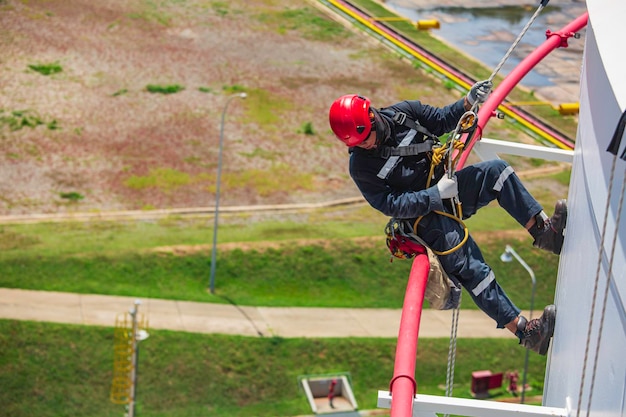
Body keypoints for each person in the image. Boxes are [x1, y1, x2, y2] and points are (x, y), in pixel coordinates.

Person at [328, 81, 566, 355]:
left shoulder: (405, 113)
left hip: (447, 189)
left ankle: (544, 234)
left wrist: (467, 102)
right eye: (358, 145)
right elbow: (390, 203)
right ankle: (527, 332)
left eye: (366, 139)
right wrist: (434, 195)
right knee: (468, 264)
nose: (365, 147)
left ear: (372, 117)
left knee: (497, 173)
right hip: (423, 215)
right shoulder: (361, 165)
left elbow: (441, 120)